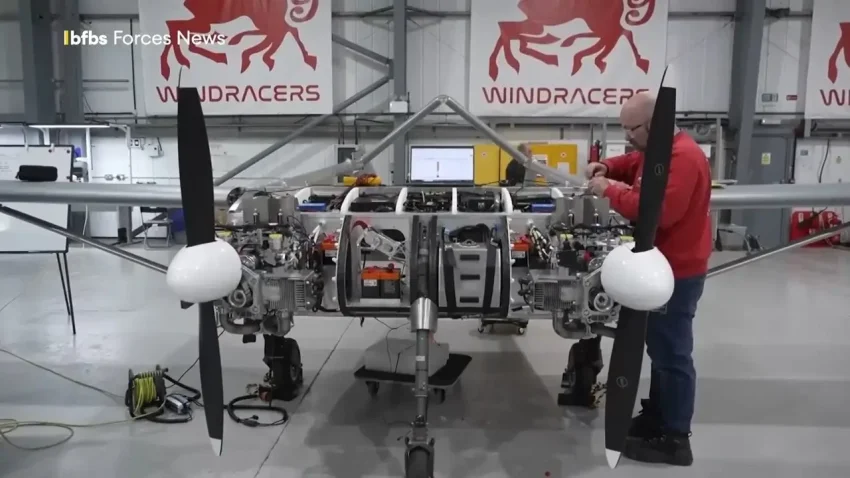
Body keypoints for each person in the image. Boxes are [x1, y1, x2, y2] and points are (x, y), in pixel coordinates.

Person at [585, 92, 712, 467]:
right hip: (660, 268)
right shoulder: (658, 151)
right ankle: (657, 416)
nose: (627, 136)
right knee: (658, 348)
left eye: (632, 128)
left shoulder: (683, 158)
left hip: (676, 273)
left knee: (672, 353)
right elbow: (633, 162)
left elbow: (655, 211)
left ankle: (675, 439)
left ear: (654, 125)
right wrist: (607, 166)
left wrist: (608, 190)